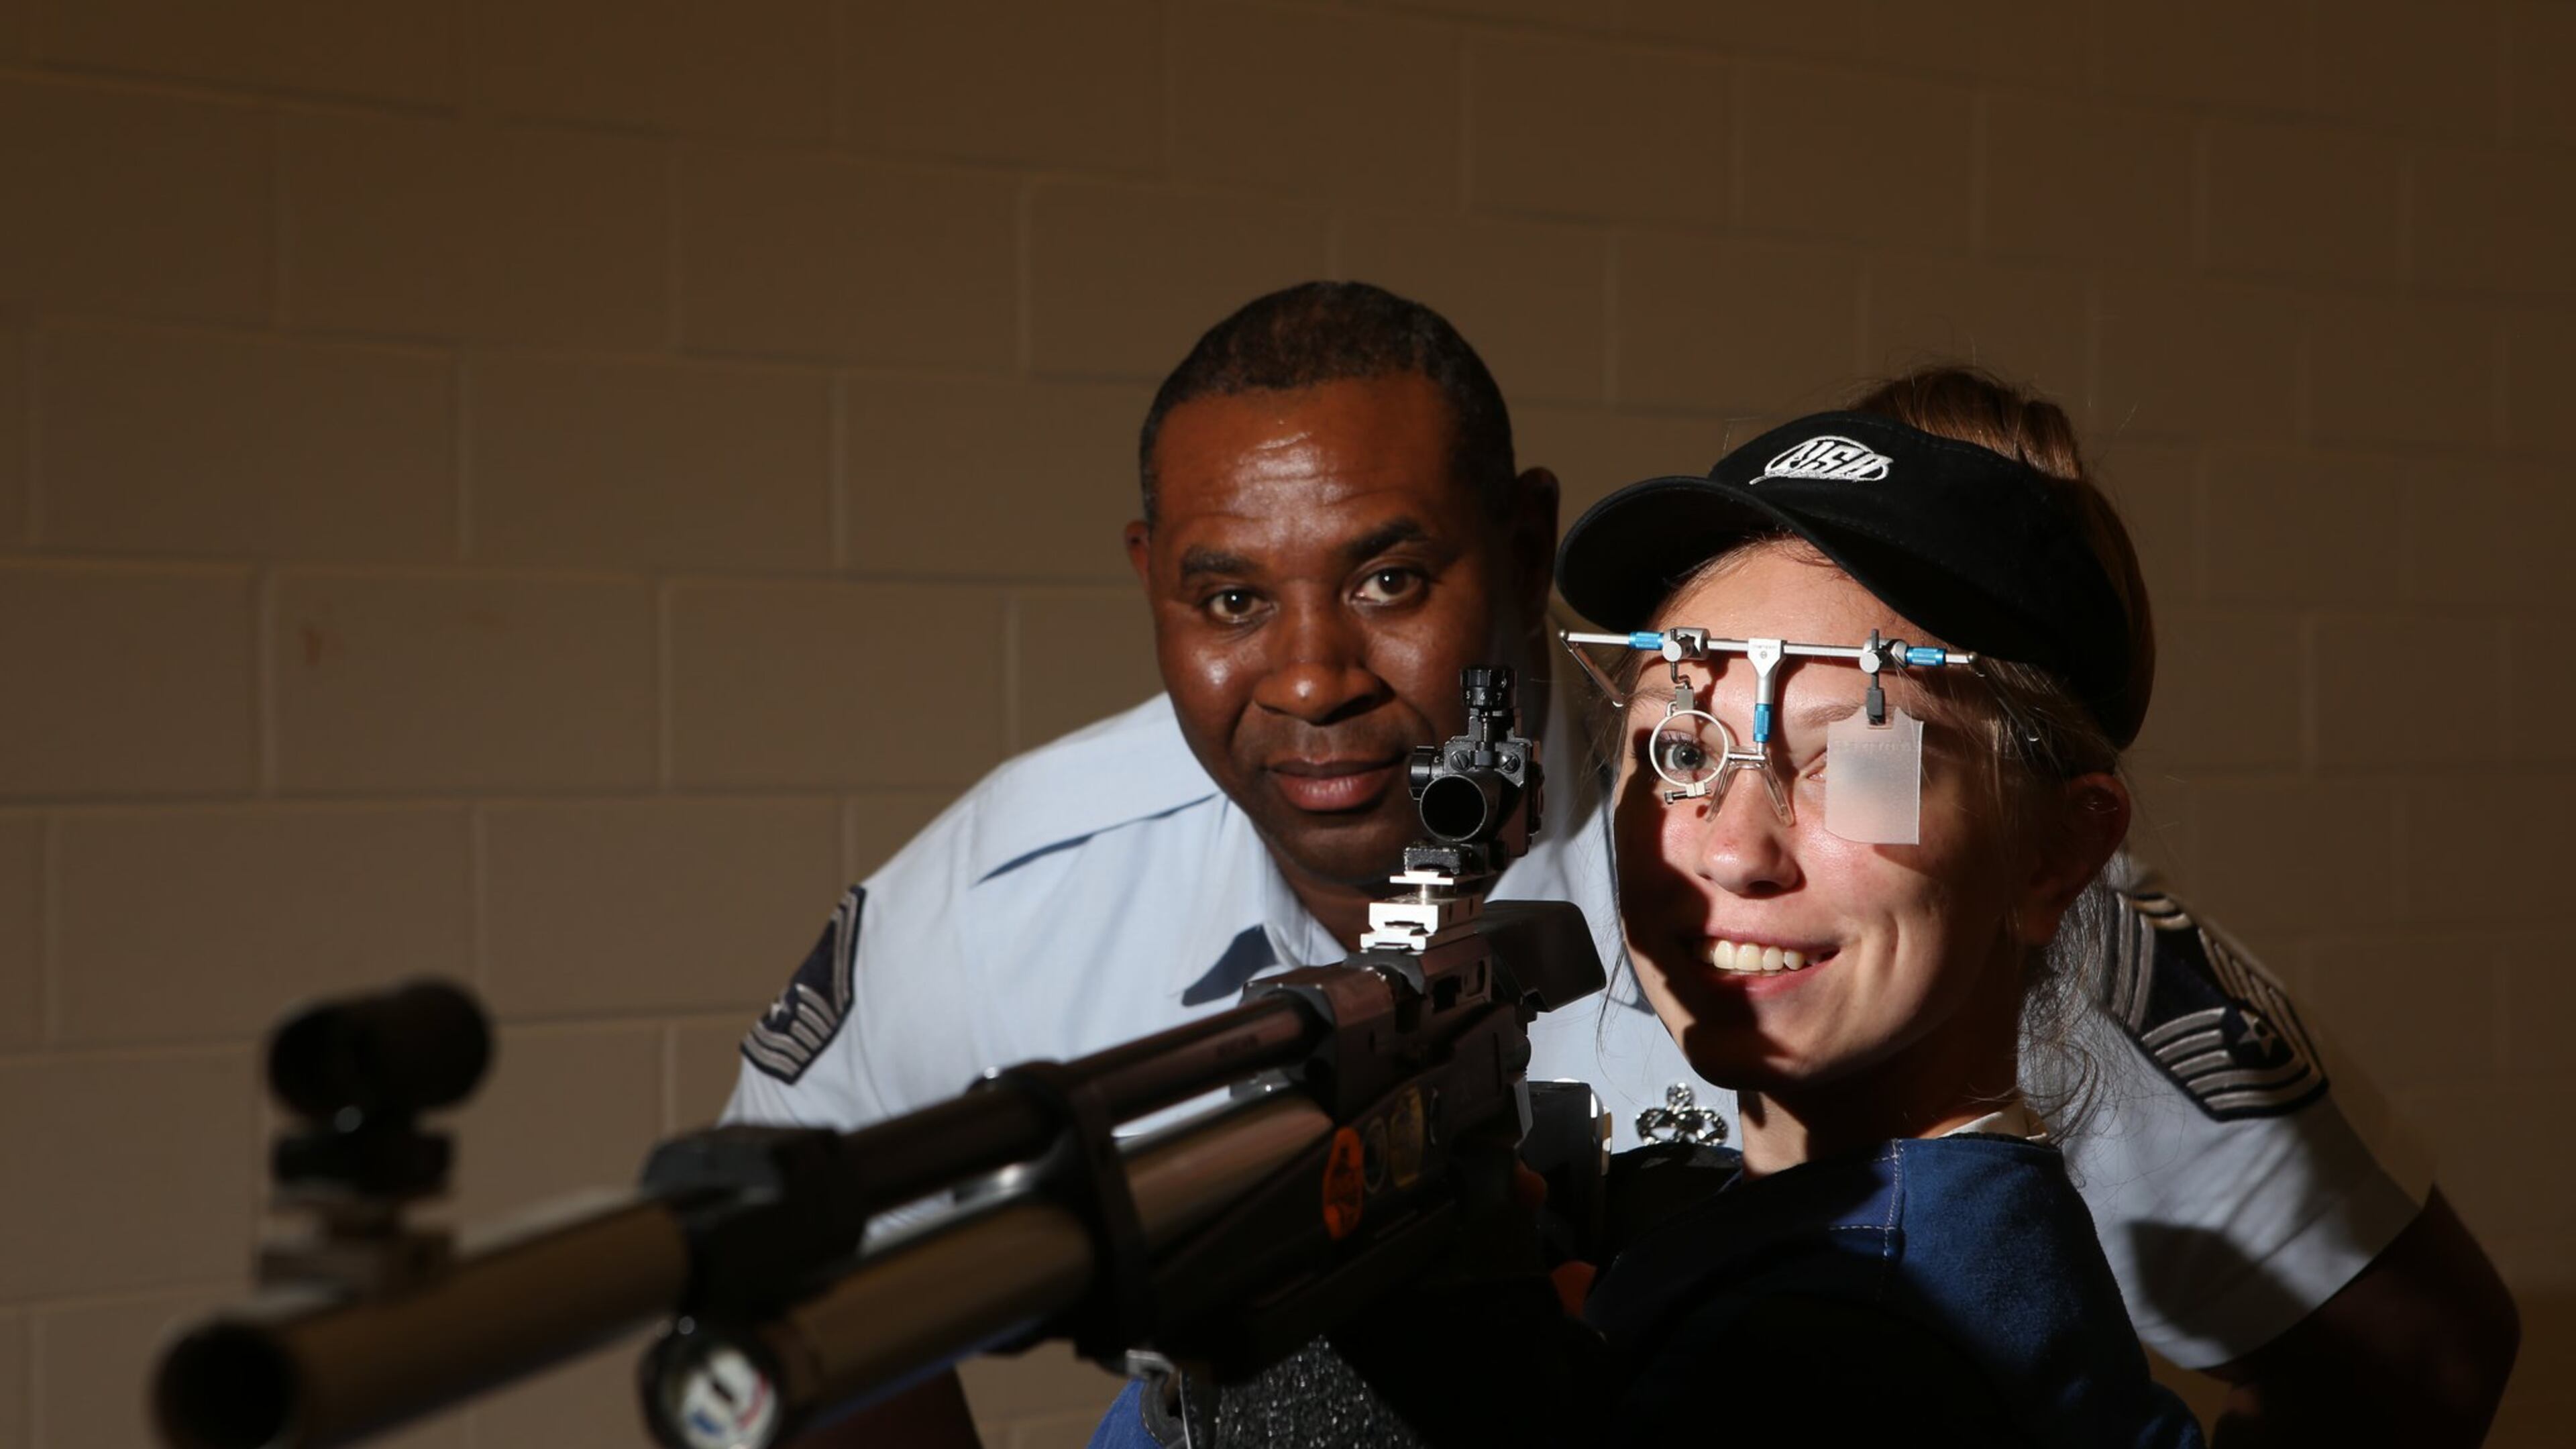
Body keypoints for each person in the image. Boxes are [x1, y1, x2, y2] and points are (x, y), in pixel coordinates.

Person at [727, 286, 2515, 1446]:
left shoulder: (1890, 1240)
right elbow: (791, 1297)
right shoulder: (1011, 882)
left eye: (1853, 755)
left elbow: (2422, 1357)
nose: (1311, 678)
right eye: (1682, 739)